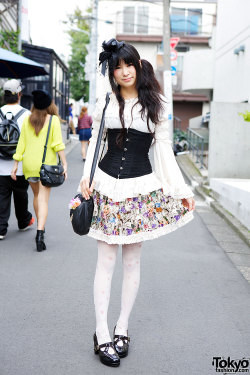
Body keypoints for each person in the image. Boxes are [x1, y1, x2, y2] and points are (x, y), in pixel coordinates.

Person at [79, 39, 195, 367]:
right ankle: (101, 332)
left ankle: (122, 326)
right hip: (103, 185)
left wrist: (179, 189)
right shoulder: (106, 104)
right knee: (105, 261)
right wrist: (84, 179)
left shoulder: (154, 105)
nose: (124, 71)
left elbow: (163, 150)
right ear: (111, 72)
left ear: (138, 65)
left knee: (132, 262)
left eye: (128, 64)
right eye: (117, 67)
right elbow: (99, 144)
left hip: (139, 189)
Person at [11, 90, 67, 252]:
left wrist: (16, 165)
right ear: (49, 104)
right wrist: (64, 163)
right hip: (46, 166)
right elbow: (58, 145)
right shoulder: (53, 121)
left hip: (29, 165)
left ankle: (39, 224)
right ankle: (40, 232)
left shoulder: (28, 120)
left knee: (36, 196)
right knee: (43, 199)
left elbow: (21, 144)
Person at [0, 79, 34, 240]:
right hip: (20, 165)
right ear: (19, 95)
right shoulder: (27, 115)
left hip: (1, 165)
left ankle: (1, 229)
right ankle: (23, 221)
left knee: (2, 197)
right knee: (21, 195)